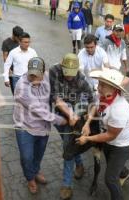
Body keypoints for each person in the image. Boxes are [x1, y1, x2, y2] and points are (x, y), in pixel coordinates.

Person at [76, 69, 129, 200]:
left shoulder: (119, 109)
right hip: (109, 140)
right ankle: (124, 173)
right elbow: (95, 107)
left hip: (121, 145)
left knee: (110, 179)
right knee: (112, 165)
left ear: (113, 88)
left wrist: (87, 138)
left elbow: (110, 135)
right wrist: (87, 123)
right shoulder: (103, 96)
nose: (98, 87)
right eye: (99, 83)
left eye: (102, 85)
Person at [14, 57, 67, 194]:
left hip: (43, 127)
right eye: (31, 74)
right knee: (27, 156)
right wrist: (61, 120)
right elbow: (41, 111)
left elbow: (55, 69)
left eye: (37, 74)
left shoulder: (47, 77)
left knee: (39, 153)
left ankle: (35, 171)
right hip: (25, 126)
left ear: (43, 72)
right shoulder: (21, 87)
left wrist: (64, 62)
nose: (33, 77)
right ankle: (30, 178)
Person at [49, 53, 95, 200]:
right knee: (69, 144)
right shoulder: (54, 71)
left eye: (72, 74)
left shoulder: (82, 80)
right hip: (60, 115)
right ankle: (80, 164)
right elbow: (55, 97)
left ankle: (67, 185)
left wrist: (83, 117)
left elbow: (93, 102)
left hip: (76, 117)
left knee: (68, 148)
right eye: (66, 73)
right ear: (62, 66)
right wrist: (69, 114)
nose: (69, 77)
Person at [1, 26, 24, 94]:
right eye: (18, 38)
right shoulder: (6, 42)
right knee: (15, 90)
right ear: (13, 35)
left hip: (22, 69)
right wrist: (9, 70)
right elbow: (5, 57)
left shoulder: (21, 41)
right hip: (13, 71)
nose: (19, 39)